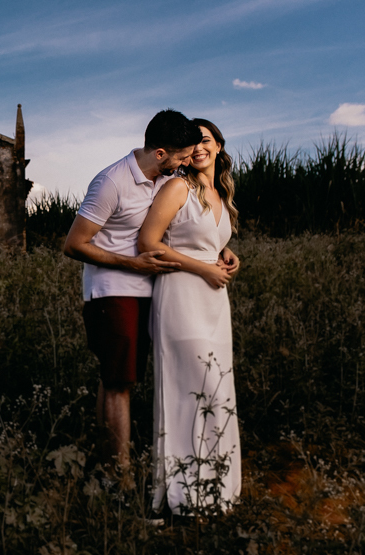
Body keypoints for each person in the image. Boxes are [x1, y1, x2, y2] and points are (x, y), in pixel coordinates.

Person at [63, 109, 204, 481]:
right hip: (112, 292)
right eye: (182, 156)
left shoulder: (167, 178)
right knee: (119, 383)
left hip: (149, 292)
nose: (187, 162)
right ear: (160, 153)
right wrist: (130, 265)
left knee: (115, 379)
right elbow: (74, 244)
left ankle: (102, 454)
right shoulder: (111, 182)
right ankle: (119, 474)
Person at [137, 118, 241, 514]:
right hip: (181, 295)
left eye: (206, 140)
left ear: (218, 145)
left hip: (215, 302)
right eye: (193, 142)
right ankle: (182, 491)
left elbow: (209, 241)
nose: (199, 147)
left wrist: (227, 254)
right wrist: (204, 268)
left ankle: (216, 485)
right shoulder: (177, 186)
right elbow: (148, 241)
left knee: (217, 389)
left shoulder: (220, 192)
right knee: (188, 390)